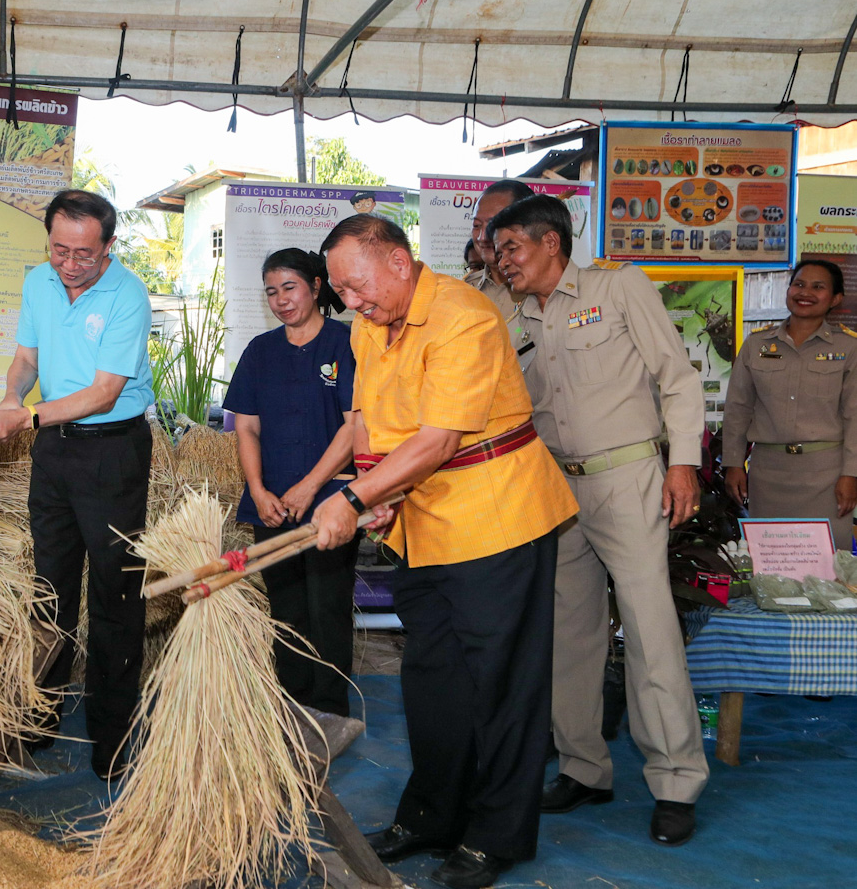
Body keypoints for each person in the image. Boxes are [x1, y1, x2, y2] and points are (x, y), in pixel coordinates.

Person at [310, 214, 577, 889]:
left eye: (356, 284)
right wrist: (378, 488)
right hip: (423, 519)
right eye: (340, 290)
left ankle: (497, 834)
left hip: (497, 514)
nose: (349, 301)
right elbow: (370, 421)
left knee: (503, 681)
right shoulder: (370, 327)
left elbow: (440, 439)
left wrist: (354, 498)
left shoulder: (465, 315)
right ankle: (430, 813)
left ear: (398, 260)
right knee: (431, 676)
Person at [490, 195, 709, 847]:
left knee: (649, 628)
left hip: (628, 476)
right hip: (554, 484)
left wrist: (684, 462)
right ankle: (585, 766)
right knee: (568, 631)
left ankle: (674, 780)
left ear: (551, 244)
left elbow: (678, 376)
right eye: (497, 250)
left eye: (511, 248)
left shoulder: (618, 287)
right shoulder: (509, 312)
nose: (501, 261)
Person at [0, 188, 155, 780]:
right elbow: (27, 358)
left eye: (85, 253)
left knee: (115, 594)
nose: (71, 264)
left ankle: (112, 738)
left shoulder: (127, 294)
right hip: (55, 450)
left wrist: (24, 418)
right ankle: (40, 720)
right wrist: (11, 395)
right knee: (50, 587)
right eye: (60, 250)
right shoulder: (38, 282)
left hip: (113, 453)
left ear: (108, 246)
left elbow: (104, 392)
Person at [223, 248, 358, 716]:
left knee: (327, 608)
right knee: (286, 609)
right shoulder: (261, 351)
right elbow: (246, 426)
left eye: (290, 287)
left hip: (330, 501)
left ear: (316, 287)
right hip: (272, 502)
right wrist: (259, 490)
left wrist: (310, 486)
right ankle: (292, 704)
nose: (281, 300)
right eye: (271, 291)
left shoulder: (346, 344)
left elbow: (353, 426)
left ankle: (330, 712)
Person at [724, 260, 857, 550]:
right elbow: (738, 409)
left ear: (835, 299)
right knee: (771, 561)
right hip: (768, 474)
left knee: (829, 566)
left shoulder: (848, 348)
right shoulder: (757, 345)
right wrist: (733, 463)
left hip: (826, 476)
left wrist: (851, 474)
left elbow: (854, 418)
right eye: (799, 284)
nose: (805, 292)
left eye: (818, 287)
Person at [469, 180, 537, 364]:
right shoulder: (462, 292)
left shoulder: (549, 289)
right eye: (476, 225)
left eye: (492, 225)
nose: (483, 237)